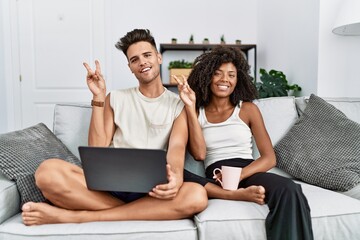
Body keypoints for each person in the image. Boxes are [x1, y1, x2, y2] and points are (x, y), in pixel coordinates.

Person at [21, 29, 208, 225]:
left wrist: (176, 180)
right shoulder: (116, 98)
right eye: (135, 59)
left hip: (152, 189)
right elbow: (97, 148)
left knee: (196, 195)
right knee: (47, 172)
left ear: (159, 58)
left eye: (147, 55)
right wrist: (98, 97)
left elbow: (176, 151)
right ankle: (139, 212)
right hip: (108, 187)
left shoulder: (178, 104)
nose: (142, 62)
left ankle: (77, 216)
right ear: (130, 67)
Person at [174, 46, 314, 240]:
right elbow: (199, 154)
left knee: (290, 188)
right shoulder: (197, 113)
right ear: (207, 77)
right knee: (174, 170)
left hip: (248, 171)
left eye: (231, 75)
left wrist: (239, 175)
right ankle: (232, 193)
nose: (225, 80)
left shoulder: (248, 109)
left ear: (237, 79)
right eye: (218, 74)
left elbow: (269, 158)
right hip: (216, 176)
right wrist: (190, 107)